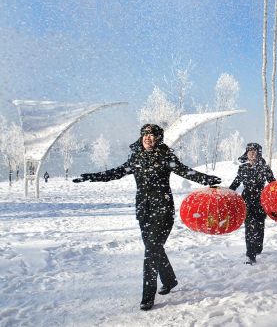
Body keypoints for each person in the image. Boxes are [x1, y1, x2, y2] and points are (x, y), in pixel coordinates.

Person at [72, 124, 221, 311]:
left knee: (151, 251)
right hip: (144, 210)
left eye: (151, 135)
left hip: (163, 210)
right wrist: (91, 177)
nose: (147, 138)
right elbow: (116, 172)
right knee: (154, 248)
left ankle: (148, 296)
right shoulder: (136, 158)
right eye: (144, 135)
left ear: (158, 138)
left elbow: (185, 171)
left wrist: (208, 179)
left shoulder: (166, 157)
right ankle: (170, 280)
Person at [229, 143, 275, 265]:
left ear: (258, 153)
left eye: (254, 151)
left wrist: (276, 200)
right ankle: (250, 255)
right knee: (249, 229)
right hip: (246, 203)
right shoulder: (242, 168)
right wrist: (226, 194)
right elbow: (235, 184)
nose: (252, 153)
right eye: (249, 151)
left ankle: (258, 248)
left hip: (261, 202)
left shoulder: (265, 168)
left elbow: (273, 186)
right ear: (247, 153)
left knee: (259, 228)